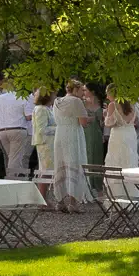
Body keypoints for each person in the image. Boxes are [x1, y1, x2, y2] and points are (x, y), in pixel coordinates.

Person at [49, 80, 94, 211]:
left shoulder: (57, 101)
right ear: (75, 89)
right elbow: (83, 122)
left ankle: (60, 201)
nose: (83, 93)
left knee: (61, 164)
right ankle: (73, 203)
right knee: (74, 163)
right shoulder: (76, 101)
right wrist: (91, 119)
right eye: (81, 90)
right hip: (73, 134)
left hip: (60, 134)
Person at [0, 73, 32, 178]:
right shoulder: (21, 97)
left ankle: (19, 179)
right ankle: (11, 180)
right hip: (18, 130)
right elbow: (29, 117)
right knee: (14, 158)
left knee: (12, 157)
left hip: (2, 131)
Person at [102, 85, 139, 169]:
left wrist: (105, 116)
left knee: (117, 158)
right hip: (130, 133)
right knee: (130, 158)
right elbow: (137, 120)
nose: (107, 97)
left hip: (118, 134)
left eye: (107, 94)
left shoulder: (113, 105)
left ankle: (117, 177)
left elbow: (109, 124)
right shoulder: (132, 103)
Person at [31, 88, 57, 177]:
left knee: (50, 170)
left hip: (49, 144)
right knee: (46, 170)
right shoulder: (41, 109)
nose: (55, 97)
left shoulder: (47, 109)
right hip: (45, 144)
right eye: (54, 95)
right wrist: (59, 128)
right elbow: (42, 129)